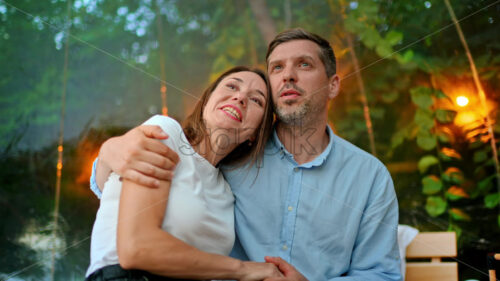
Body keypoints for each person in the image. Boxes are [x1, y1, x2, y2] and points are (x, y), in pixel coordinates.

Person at [90, 28, 402, 281]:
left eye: (304, 64)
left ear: (333, 85)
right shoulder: (227, 160)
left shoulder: (369, 177)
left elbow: (380, 275)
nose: (288, 75)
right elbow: (117, 188)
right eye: (277, 68)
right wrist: (107, 152)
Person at [85, 66, 283, 280]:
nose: (240, 97)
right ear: (207, 101)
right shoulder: (165, 132)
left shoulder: (226, 192)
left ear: (255, 133)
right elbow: (136, 248)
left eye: (256, 100)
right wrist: (244, 270)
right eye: (232, 86)